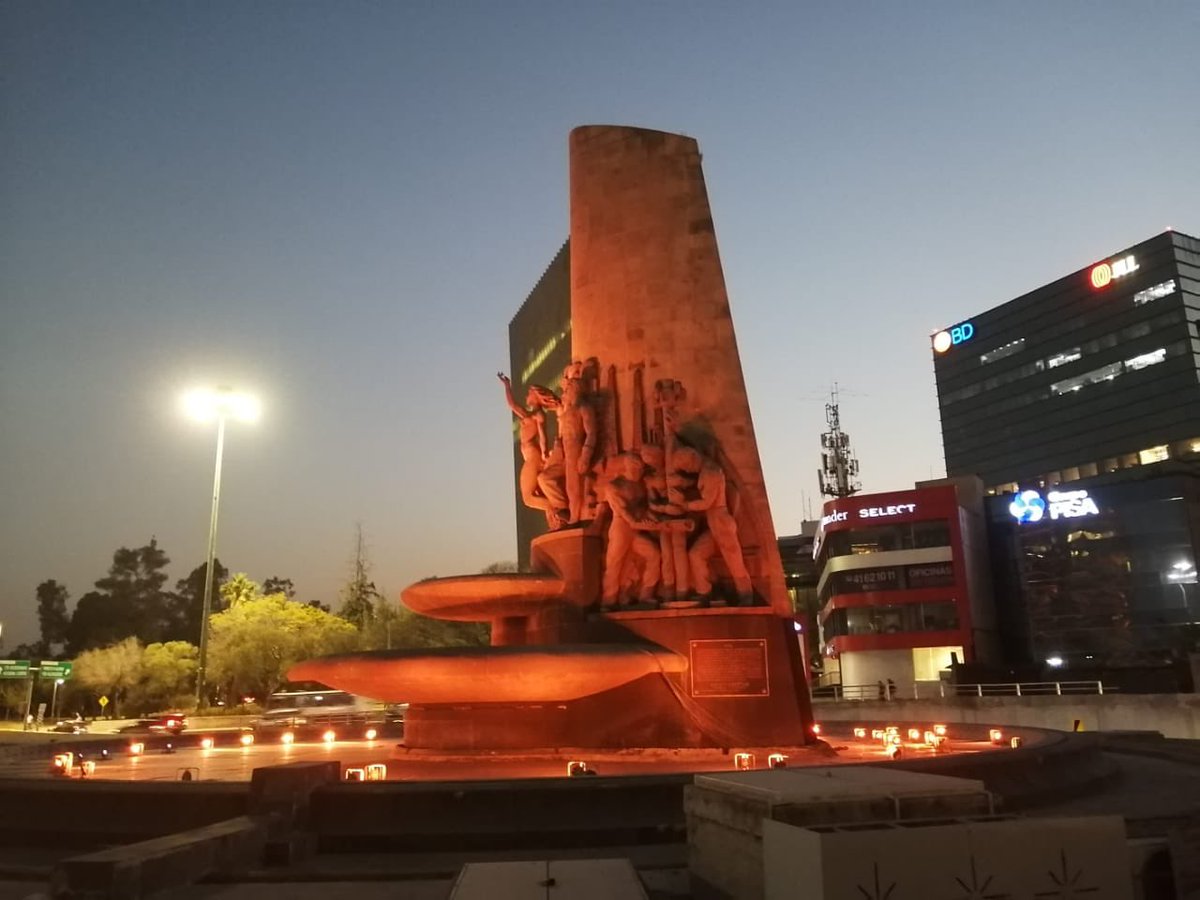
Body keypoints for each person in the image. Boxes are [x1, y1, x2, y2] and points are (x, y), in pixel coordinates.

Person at [672, 446, 754, 604]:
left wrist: (684, 504)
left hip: (720, 521)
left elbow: (707, 502)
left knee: (734, 561)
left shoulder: (710, 472)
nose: (688, 471)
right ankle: (705, 591)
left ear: (692, 459)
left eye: (686, 467)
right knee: (696, 554)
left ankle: (746, 594)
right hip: (714, 522)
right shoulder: (706, 469)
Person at [497, 372, 568, 528]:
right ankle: (555, 515)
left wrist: (543, 454)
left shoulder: (537, 415)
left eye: (529, 393)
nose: (527, 396)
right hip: (530, 457)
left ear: (536, 396)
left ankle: (557, 508)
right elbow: (513, 406)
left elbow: (542, 436)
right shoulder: (530, 414)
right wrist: (507, 386)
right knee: (533, 495)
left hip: (534, 457)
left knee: (528, 497)